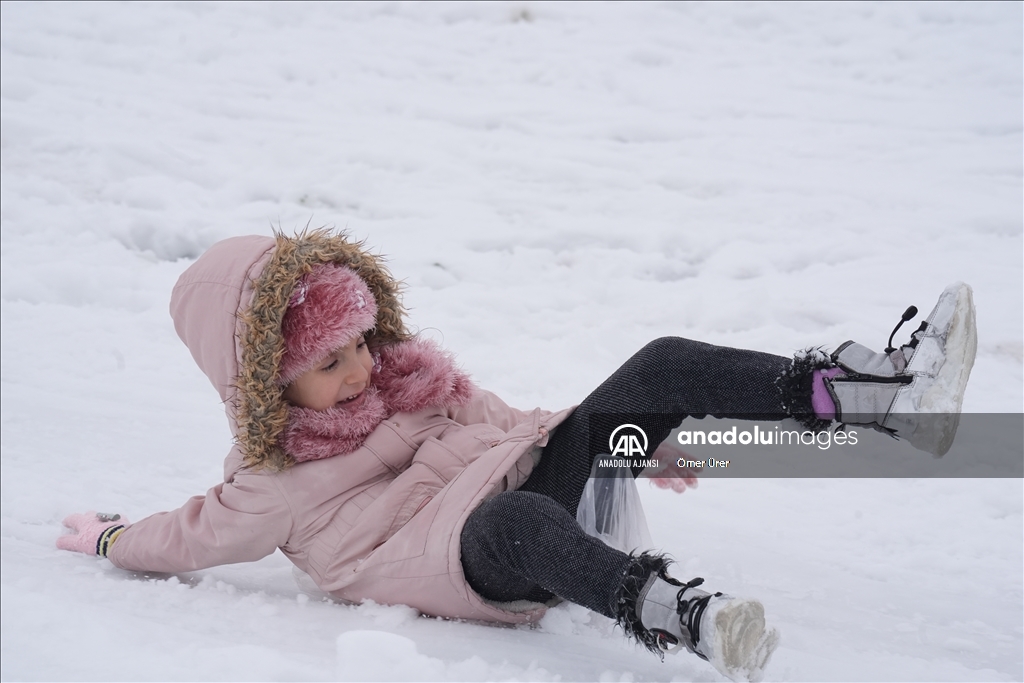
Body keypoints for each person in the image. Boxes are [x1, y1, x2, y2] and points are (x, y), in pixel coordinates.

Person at [57, 231, 977, 682]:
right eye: (328, 362)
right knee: (520, 518)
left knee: (656, 364)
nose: (359, 369)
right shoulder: (271, 483)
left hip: (521, 488)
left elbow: (520, 423)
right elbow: (187, 538)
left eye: (361, 342)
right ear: (262, 383)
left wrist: (626, 443)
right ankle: (681, 613)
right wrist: (112, 537)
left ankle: (873, 397)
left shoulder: (411, 379)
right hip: (475, 557)